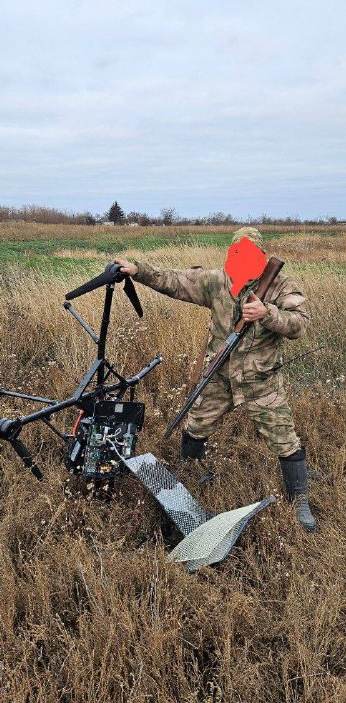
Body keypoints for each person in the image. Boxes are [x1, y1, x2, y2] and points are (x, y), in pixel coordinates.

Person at [114, 226, 316, 532]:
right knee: (196, 424)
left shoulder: (281, 285)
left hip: (259, 378)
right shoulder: (218, 281)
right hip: (219, 374)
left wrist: (268, 313)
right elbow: (175, 280)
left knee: (284, 437)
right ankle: (191, 475)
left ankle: (299, 498)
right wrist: (138, 270)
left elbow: (300, 324)